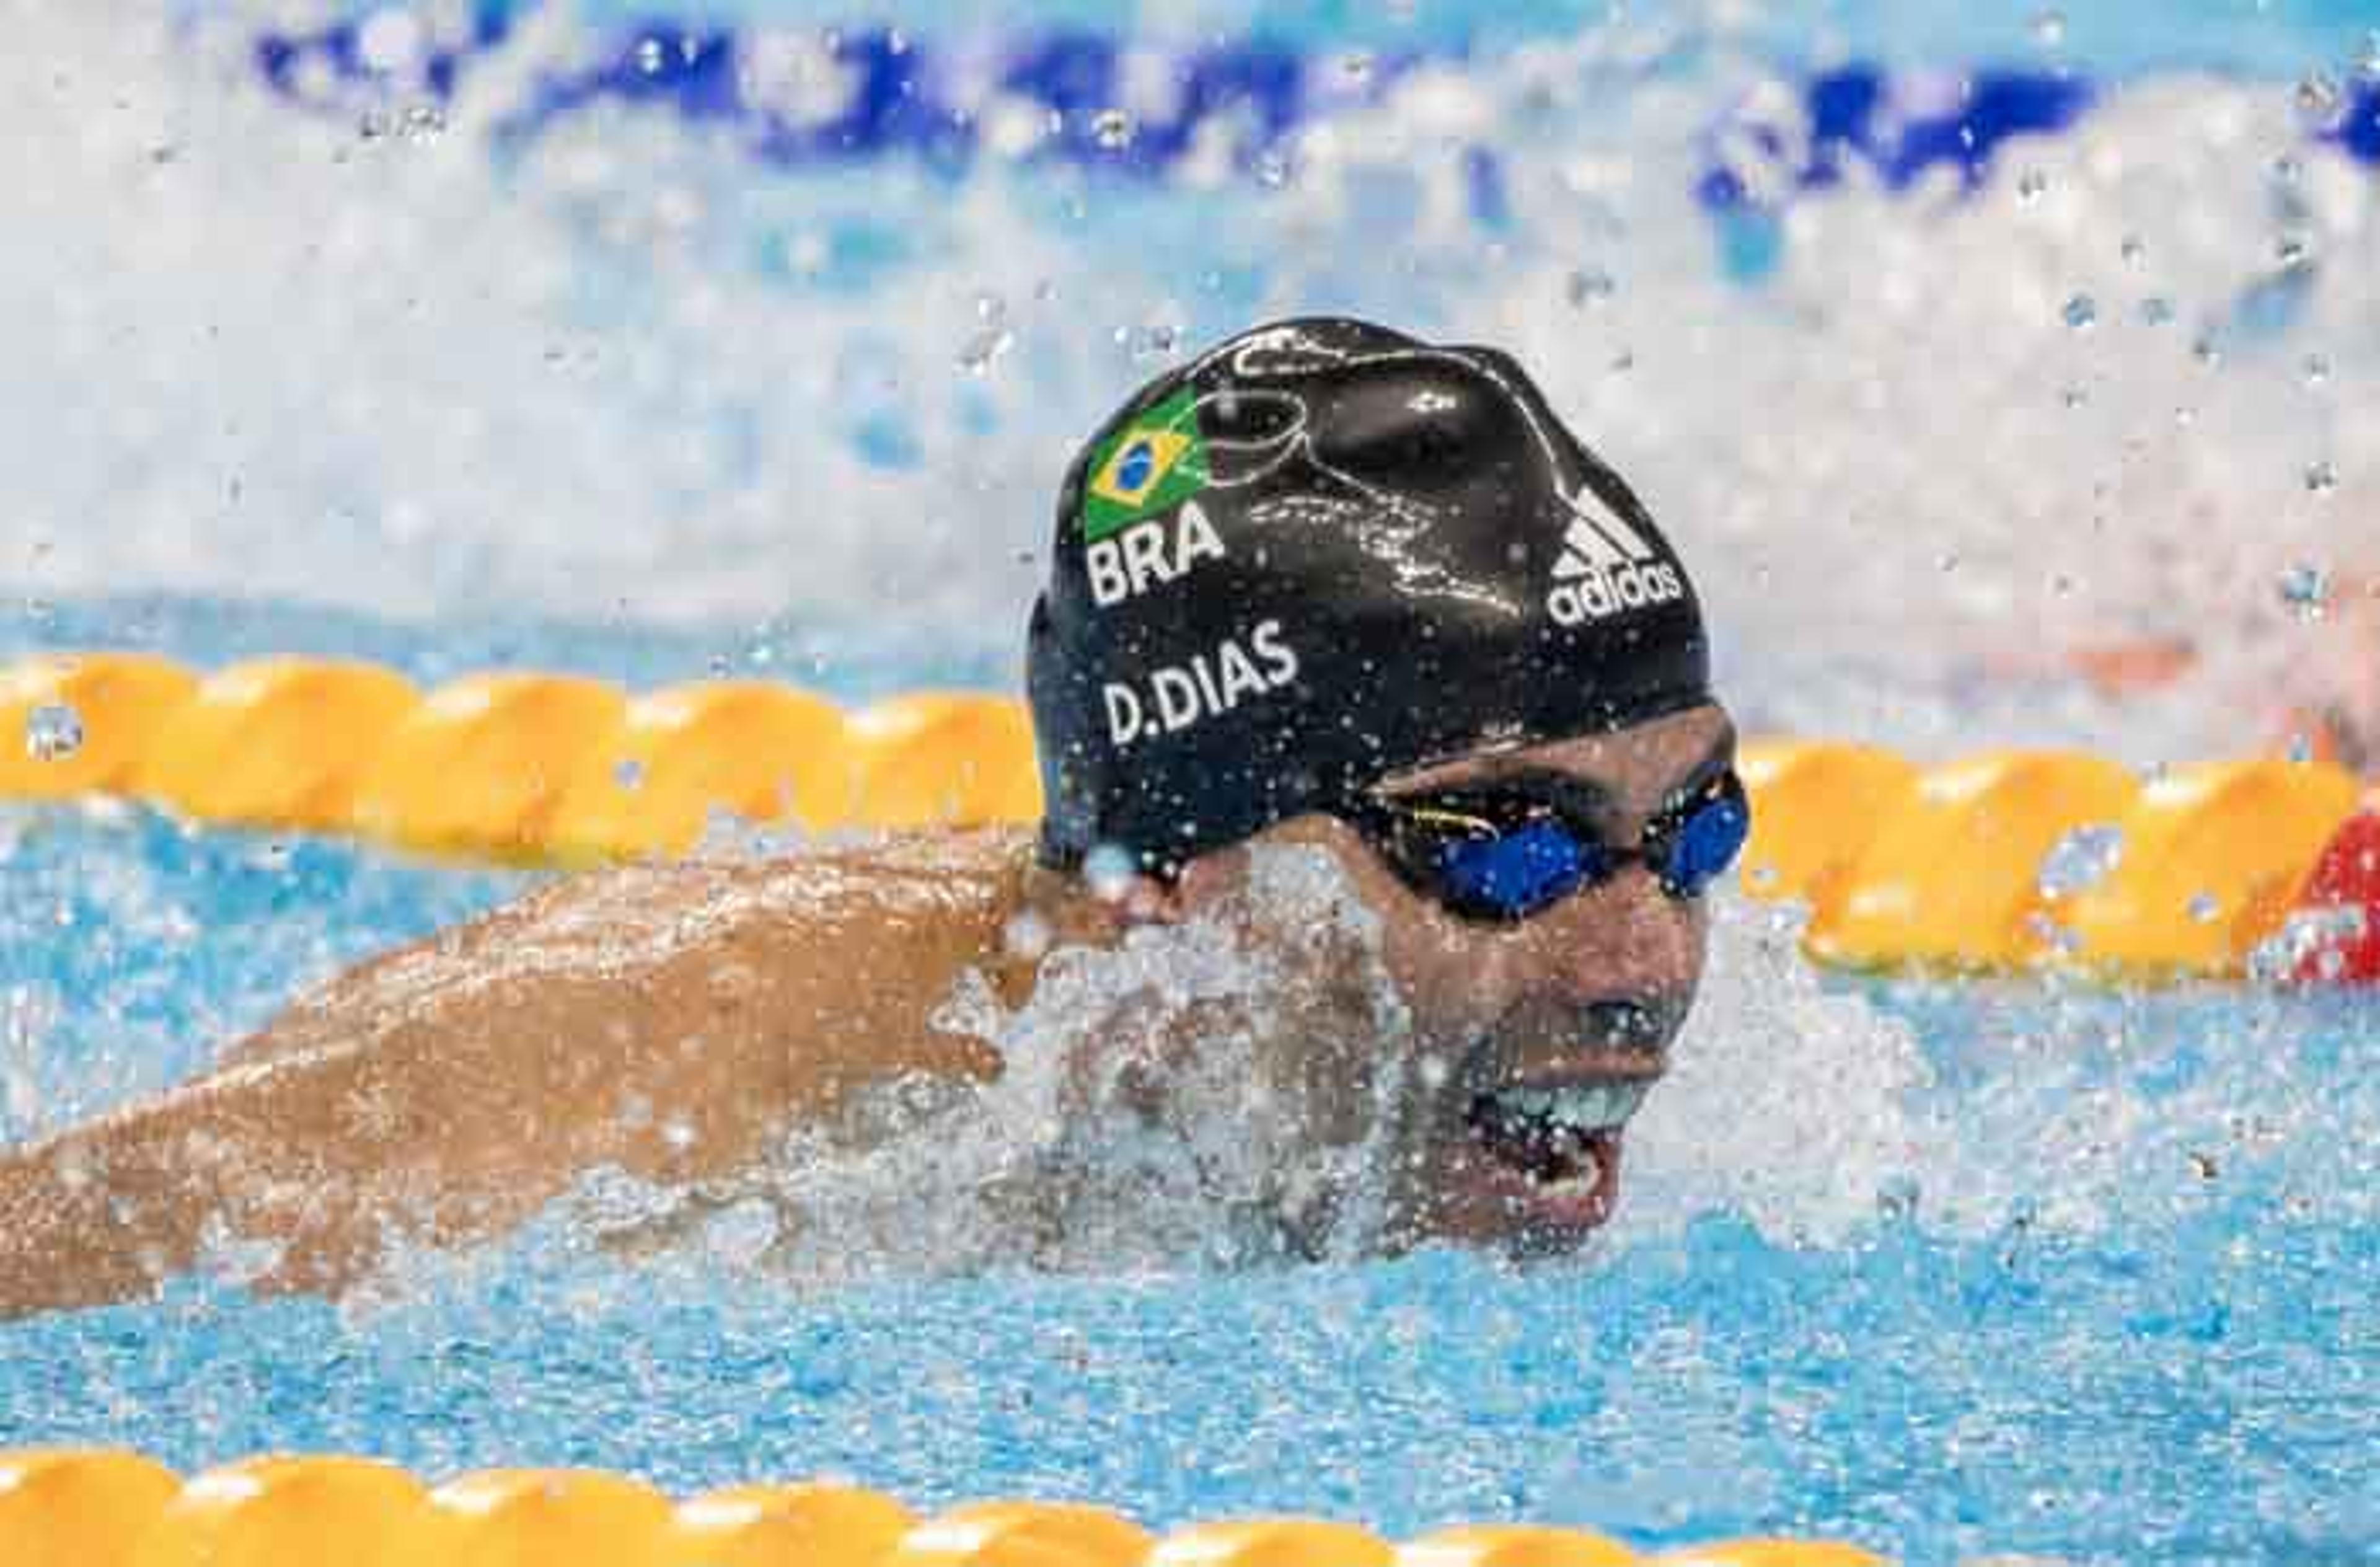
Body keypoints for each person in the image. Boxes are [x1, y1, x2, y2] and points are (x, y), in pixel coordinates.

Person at [0, 318, 1743, 1317]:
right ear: (1179, 886)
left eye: (1694, 831)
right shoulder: (671, 1084)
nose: (1643, 954)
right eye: (1505, 844)